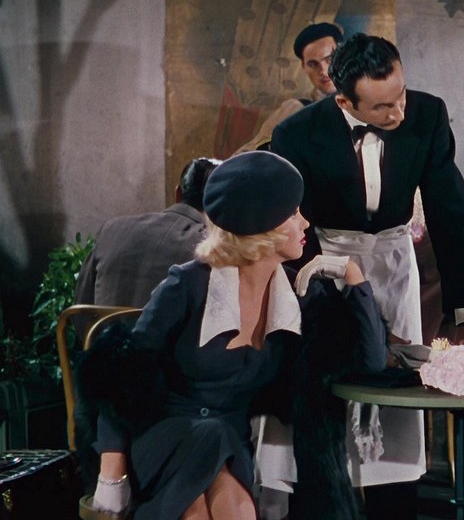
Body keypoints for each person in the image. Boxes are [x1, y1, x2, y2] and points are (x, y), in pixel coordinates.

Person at [77, 151, 387, 520]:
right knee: (202, 495)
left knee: (227, 503)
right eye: (293, 214)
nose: (305, 223)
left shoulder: (299, 295)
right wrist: (111, 477)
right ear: (262, 225)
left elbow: (370, 362)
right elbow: (121, 379)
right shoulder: (187, 285)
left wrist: (352, 275)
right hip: (161, 438)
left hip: (228, 442)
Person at [269, 33, 464, 519]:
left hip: (393, 266)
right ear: (344, 101)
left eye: (401, 95)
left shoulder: (428, 114)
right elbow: (293, 231)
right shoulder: (296, 134)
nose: (399, 113)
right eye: (383, 107)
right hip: (323, 269)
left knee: (395, 414)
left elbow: (450, 212)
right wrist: (347, 309)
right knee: (325, 411)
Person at [75, 157, 220, 308]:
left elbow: (80, 311)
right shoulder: (213, 247)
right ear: (221, 203)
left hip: (106, 325)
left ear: (177, 193)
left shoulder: (111, 230)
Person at [234, 22, 343, 153]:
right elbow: (249, 154)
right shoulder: (295, 111)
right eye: (313, 64)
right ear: (304, 67)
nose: (324, 71)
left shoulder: (362, 107)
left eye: (329, 59)